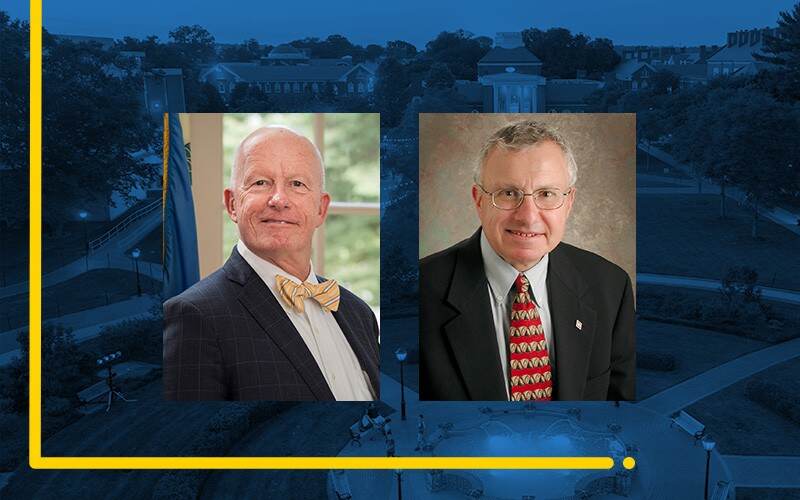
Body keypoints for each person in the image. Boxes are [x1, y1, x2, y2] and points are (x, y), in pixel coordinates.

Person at [420, 120, 635, 401]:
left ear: (569, 203)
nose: (528, 216)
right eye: (509, 193)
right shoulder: (422, 291)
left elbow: (619, 410)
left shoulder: (610, 286)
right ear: (479, 200)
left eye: (547, 194)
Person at [163, 126, 380, 401]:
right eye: (260, 183)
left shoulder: (358, 313)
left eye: (297, 184)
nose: (279, 200)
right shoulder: (193, 316)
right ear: (232, 204)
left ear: (320, 209)